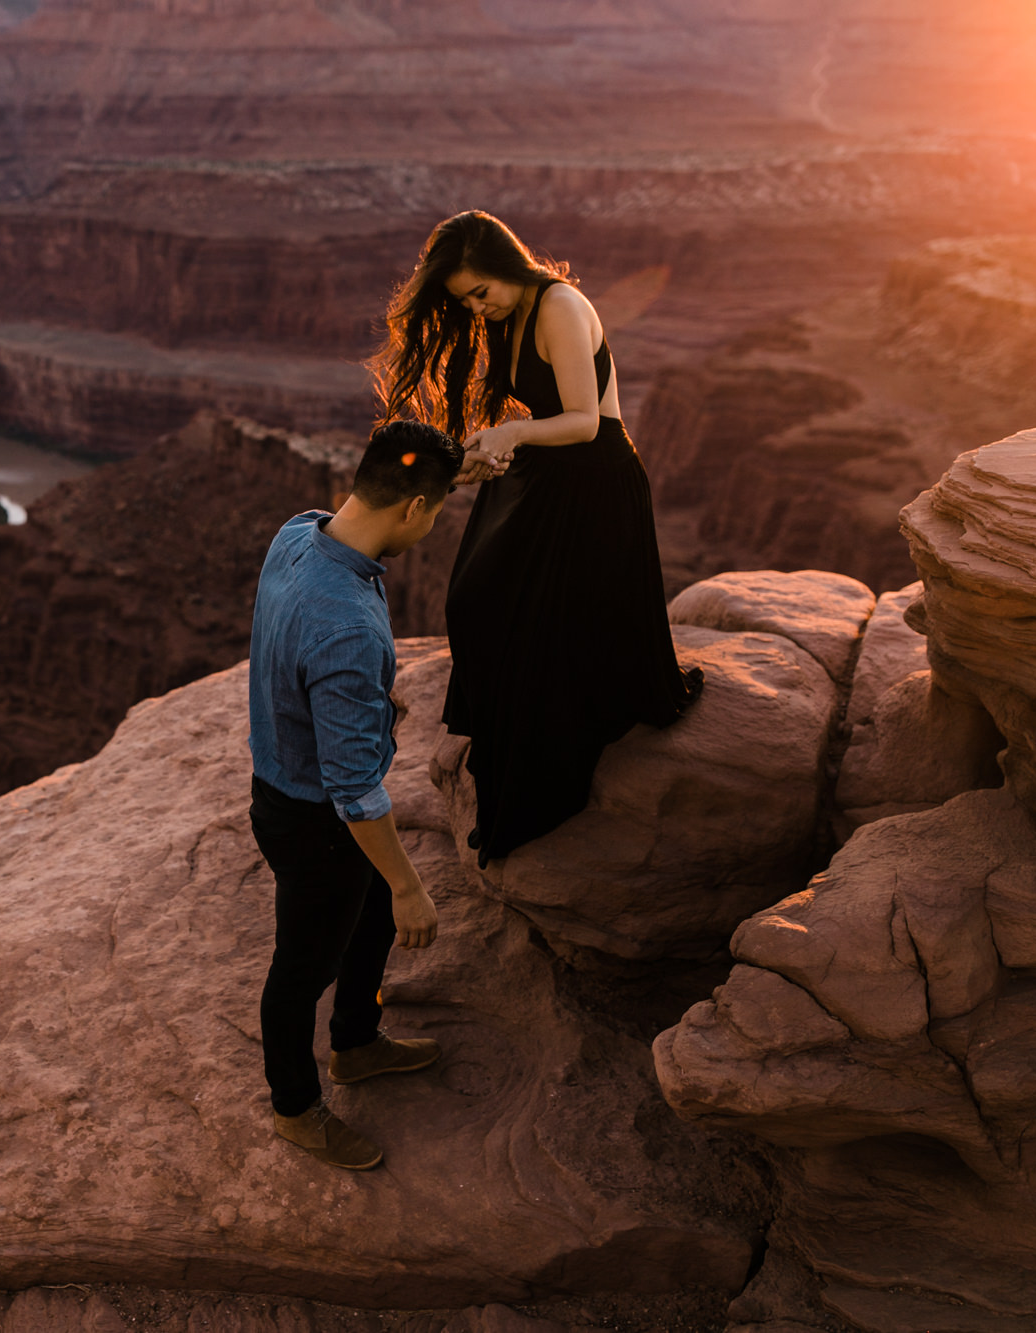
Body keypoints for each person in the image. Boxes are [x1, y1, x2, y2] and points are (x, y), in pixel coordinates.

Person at [371, 210, 701, 869]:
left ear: (506, 266)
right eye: (466, 299)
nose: (477, 307)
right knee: (472, 596)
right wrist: (480, 456)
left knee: (519, 615)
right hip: (551, 473)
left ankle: (537, 775)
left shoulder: (559, 306)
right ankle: (505, 742)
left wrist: (514, 435)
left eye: (480, 292)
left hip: (598, 484)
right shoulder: (512, 314)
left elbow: (583, 422)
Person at [248, 418, 464, 1171]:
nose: (431, 527)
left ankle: (356, 1043)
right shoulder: (346, 627)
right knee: (302, 969)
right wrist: (411, 886)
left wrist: (362, 704)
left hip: (284, 788)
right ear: (411, 508)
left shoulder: (299, 532)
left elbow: (289, 651)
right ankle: (295, 1108)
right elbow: (353, 790)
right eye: (434, 512)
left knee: (366, 926)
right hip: (316, 823)